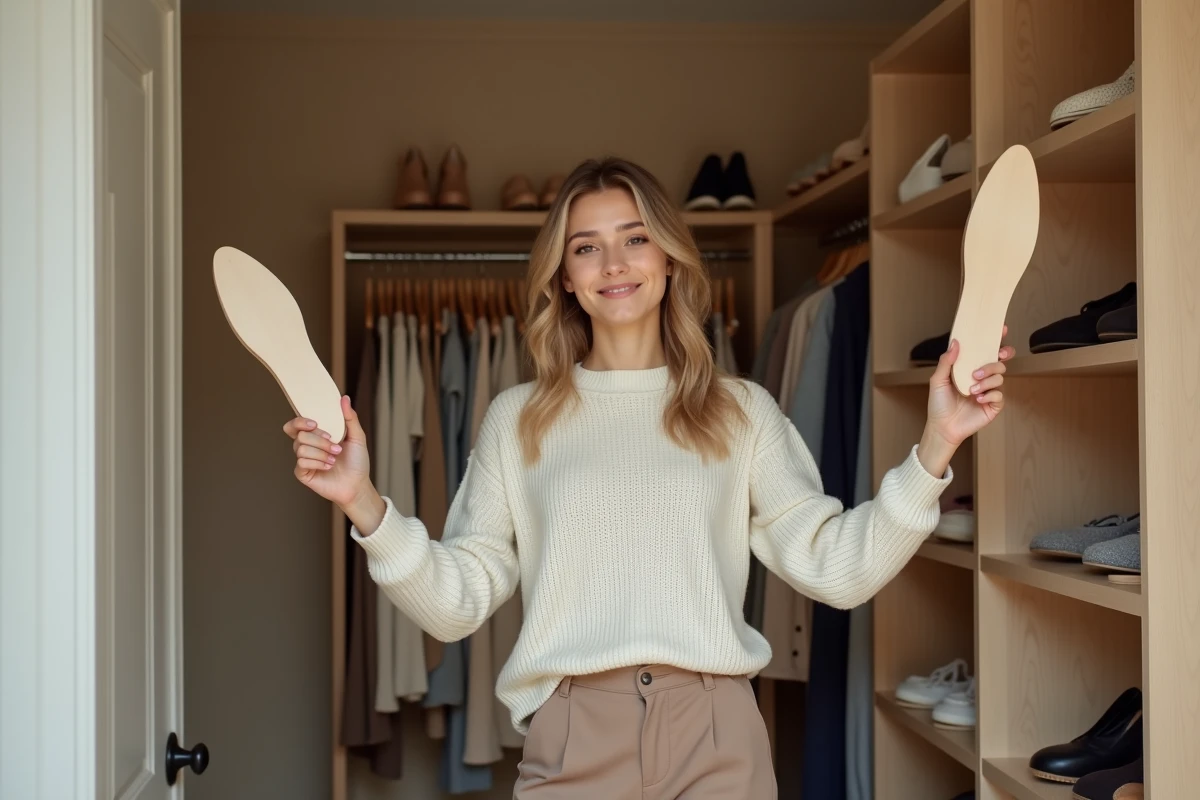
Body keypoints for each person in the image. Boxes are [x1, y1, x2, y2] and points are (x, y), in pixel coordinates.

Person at [284, 157, 1011, 798]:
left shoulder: (740, 411)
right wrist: (364, 500)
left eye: (635, 238)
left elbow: (837, 569)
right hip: (572, 736)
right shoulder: (519, 419)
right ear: (565, 278)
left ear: (668, 258)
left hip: (716, 735)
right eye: (587, 248)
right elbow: (455, 604)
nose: (615, 263)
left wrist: (936, 443)